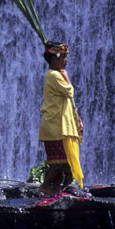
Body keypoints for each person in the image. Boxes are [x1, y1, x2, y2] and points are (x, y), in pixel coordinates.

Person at [38, 41, 84, 196]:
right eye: (63, 57)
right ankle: (44, 186)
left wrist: (77, 119)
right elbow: (69, 92)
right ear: (53, 59)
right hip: (55, 125)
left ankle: (55, 190)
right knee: (61, 162)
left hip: (60, 124)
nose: (66, 60)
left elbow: (69, 102)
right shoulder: (54, 76)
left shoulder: (55, 75)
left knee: (61, 162)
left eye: (66, 57)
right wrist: (67, 77)